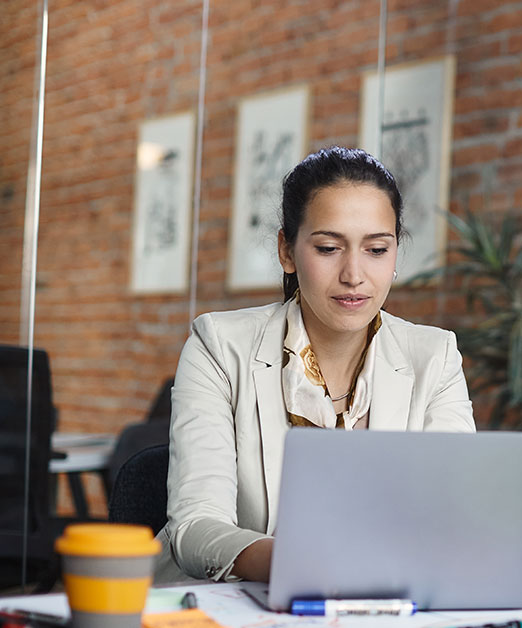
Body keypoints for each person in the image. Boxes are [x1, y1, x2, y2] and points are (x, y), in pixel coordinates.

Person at [155, 147, 475, 583]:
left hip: (377, 600)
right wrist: (299, 565)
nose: (354, 274)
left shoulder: (434, 357)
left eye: (377, 249)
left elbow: (452, 516)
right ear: (287, 251)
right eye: (328, 248)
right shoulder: (218, 345)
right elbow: (194, 527)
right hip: (234, 604)